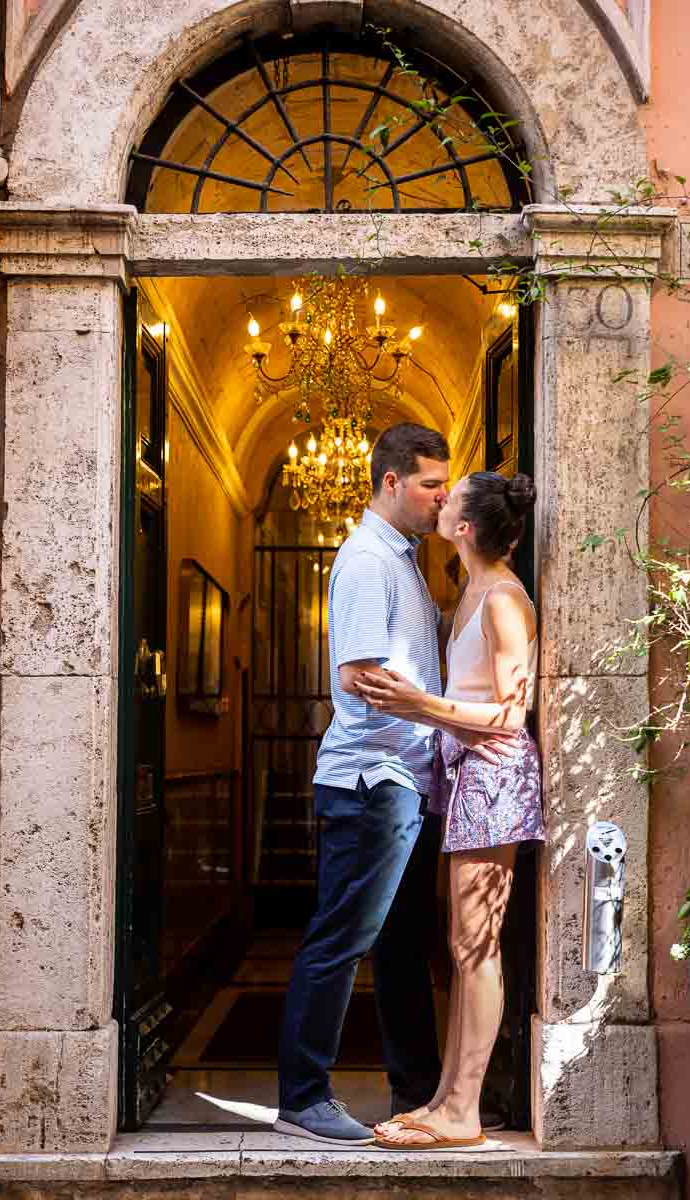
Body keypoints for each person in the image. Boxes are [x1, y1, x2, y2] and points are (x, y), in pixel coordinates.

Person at [275, 425, 510, 1146]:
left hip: (405, 778)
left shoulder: (405, 562)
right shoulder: (369, 561)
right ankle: (303, 1098)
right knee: (342, 937)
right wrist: (436, 715)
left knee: (401, 944)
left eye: (446, 484)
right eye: (431, 484)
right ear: (391, 483)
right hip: (372, 779)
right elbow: (357, 677)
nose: (443, 495)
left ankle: (417, 1090)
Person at [356, 471, 545, 1152]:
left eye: (451, 495)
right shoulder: (471, 589)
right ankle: (446, 1098)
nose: (440, 499)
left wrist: (420, 706)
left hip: (495, 779)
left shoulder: (503, 601)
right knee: (465, 950)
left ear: (465, 526)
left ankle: (463, 1110)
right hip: (467, 780)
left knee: (477, 948)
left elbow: (509, 715)